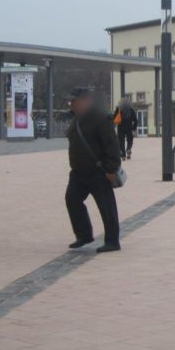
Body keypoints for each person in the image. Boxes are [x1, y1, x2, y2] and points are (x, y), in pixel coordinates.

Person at [66, 88, 122, 253]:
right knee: (72, 200)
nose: (71, 105)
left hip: (99, 171)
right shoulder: (76, 119)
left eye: (73, 101)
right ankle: (84, 235)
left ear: (85, 101)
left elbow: (112, 145)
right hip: (78, 172)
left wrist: (111, 168)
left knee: (107, 207)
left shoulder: (101, 118)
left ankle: (112, 241)